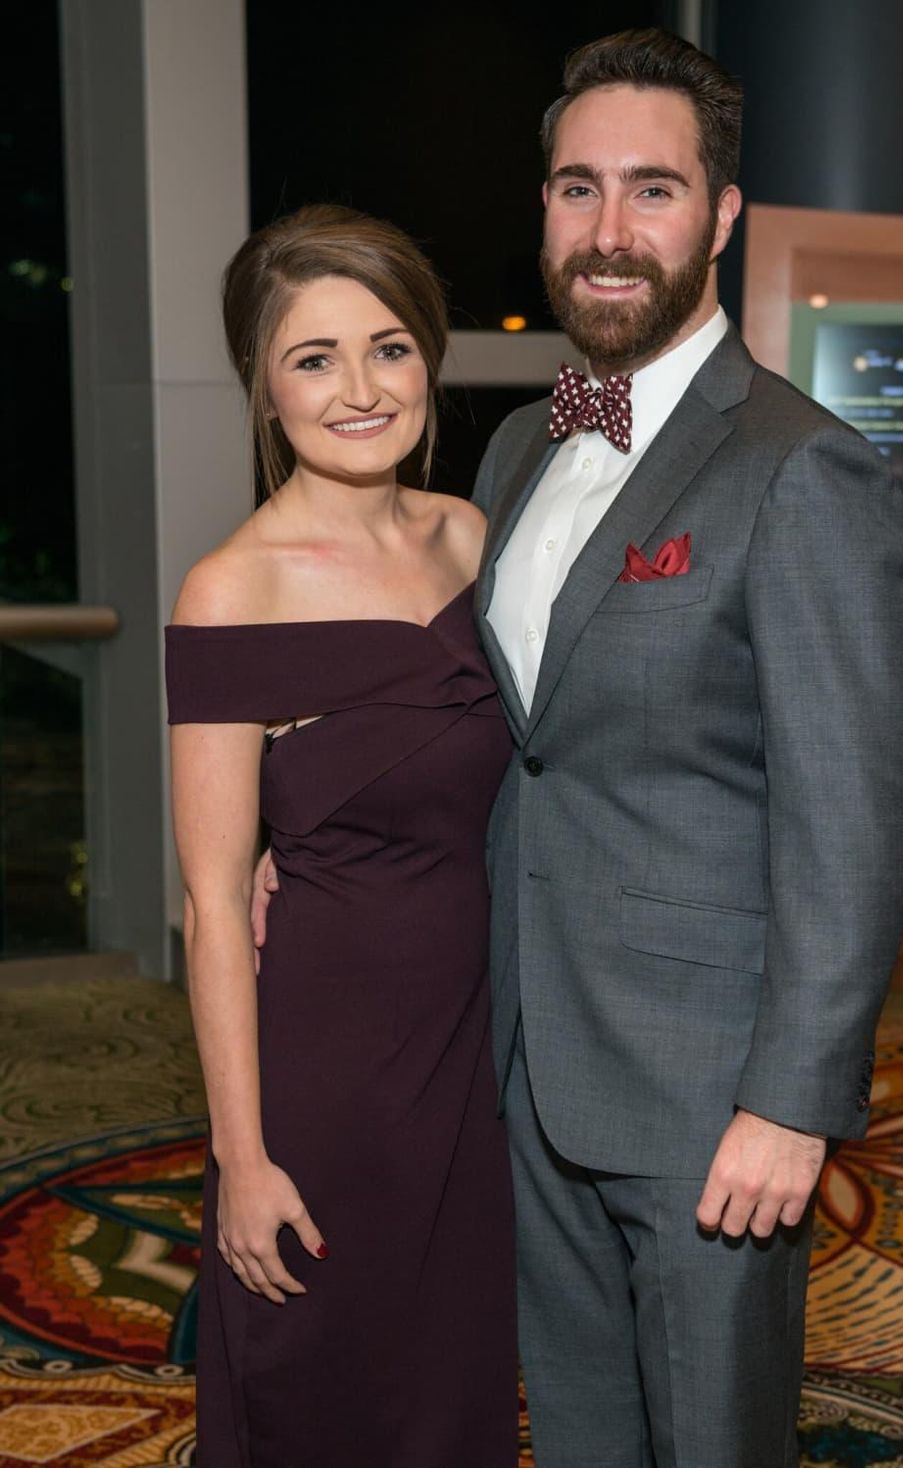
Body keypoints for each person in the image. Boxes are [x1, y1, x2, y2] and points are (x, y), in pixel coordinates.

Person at [253, 30, 903, 1468]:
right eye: (578, 188)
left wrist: (790, 1102)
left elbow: (855, 814)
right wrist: (302, 835)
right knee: (579, 1435)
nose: (609, 230)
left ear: (721, 217)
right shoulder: (516, 453)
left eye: (652, 190)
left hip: (706, 1098)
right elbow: (503, 732)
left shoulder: (801, 469)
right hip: (518, 1058)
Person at [166, 204, 516, 1468]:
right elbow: (212, 902)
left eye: (388, 348)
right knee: (318, 1389)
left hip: (478, 1056)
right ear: (262, 384)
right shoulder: (230, 590)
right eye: (313, 359)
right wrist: (242, 1157)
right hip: (328, 1075)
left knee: (452, 1391)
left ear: (429, 357)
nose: (360, 390)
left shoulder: (474, 537)